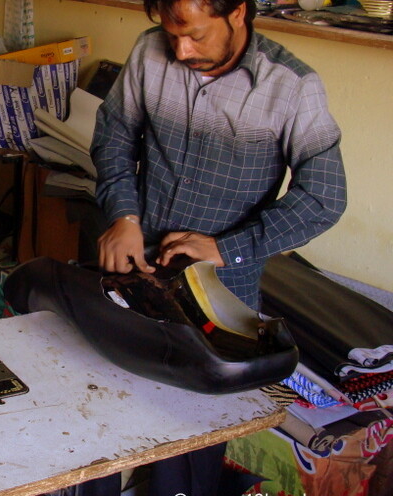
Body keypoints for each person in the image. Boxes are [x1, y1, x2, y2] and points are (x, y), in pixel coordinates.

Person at [89, 0, 347, 494]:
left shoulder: (290, 87)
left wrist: (228, 249)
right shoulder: (149, 52)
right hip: (134, 272)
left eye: (195, 35)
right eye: (171, 34)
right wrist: (123, 215)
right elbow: (115, 132)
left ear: (238, 12)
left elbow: (324, 197)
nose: (181, 50)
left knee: (193, 445)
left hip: (219, 299)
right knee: (104, 419)